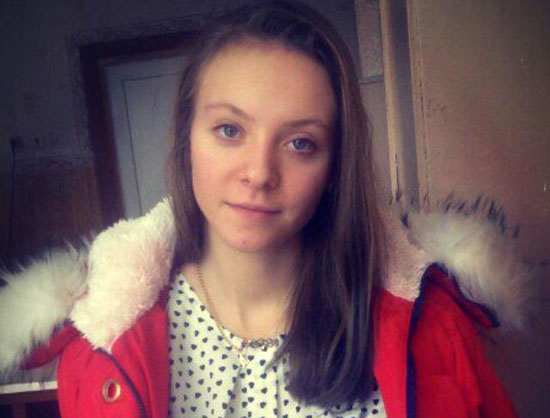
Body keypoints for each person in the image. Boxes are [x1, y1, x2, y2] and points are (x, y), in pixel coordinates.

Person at [0, 1, 526, 417]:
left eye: (300, 143)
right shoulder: (103, 342)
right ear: (187, 140)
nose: (258, 173)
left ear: (334, 167)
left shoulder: (433, 327)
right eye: (230, 130)